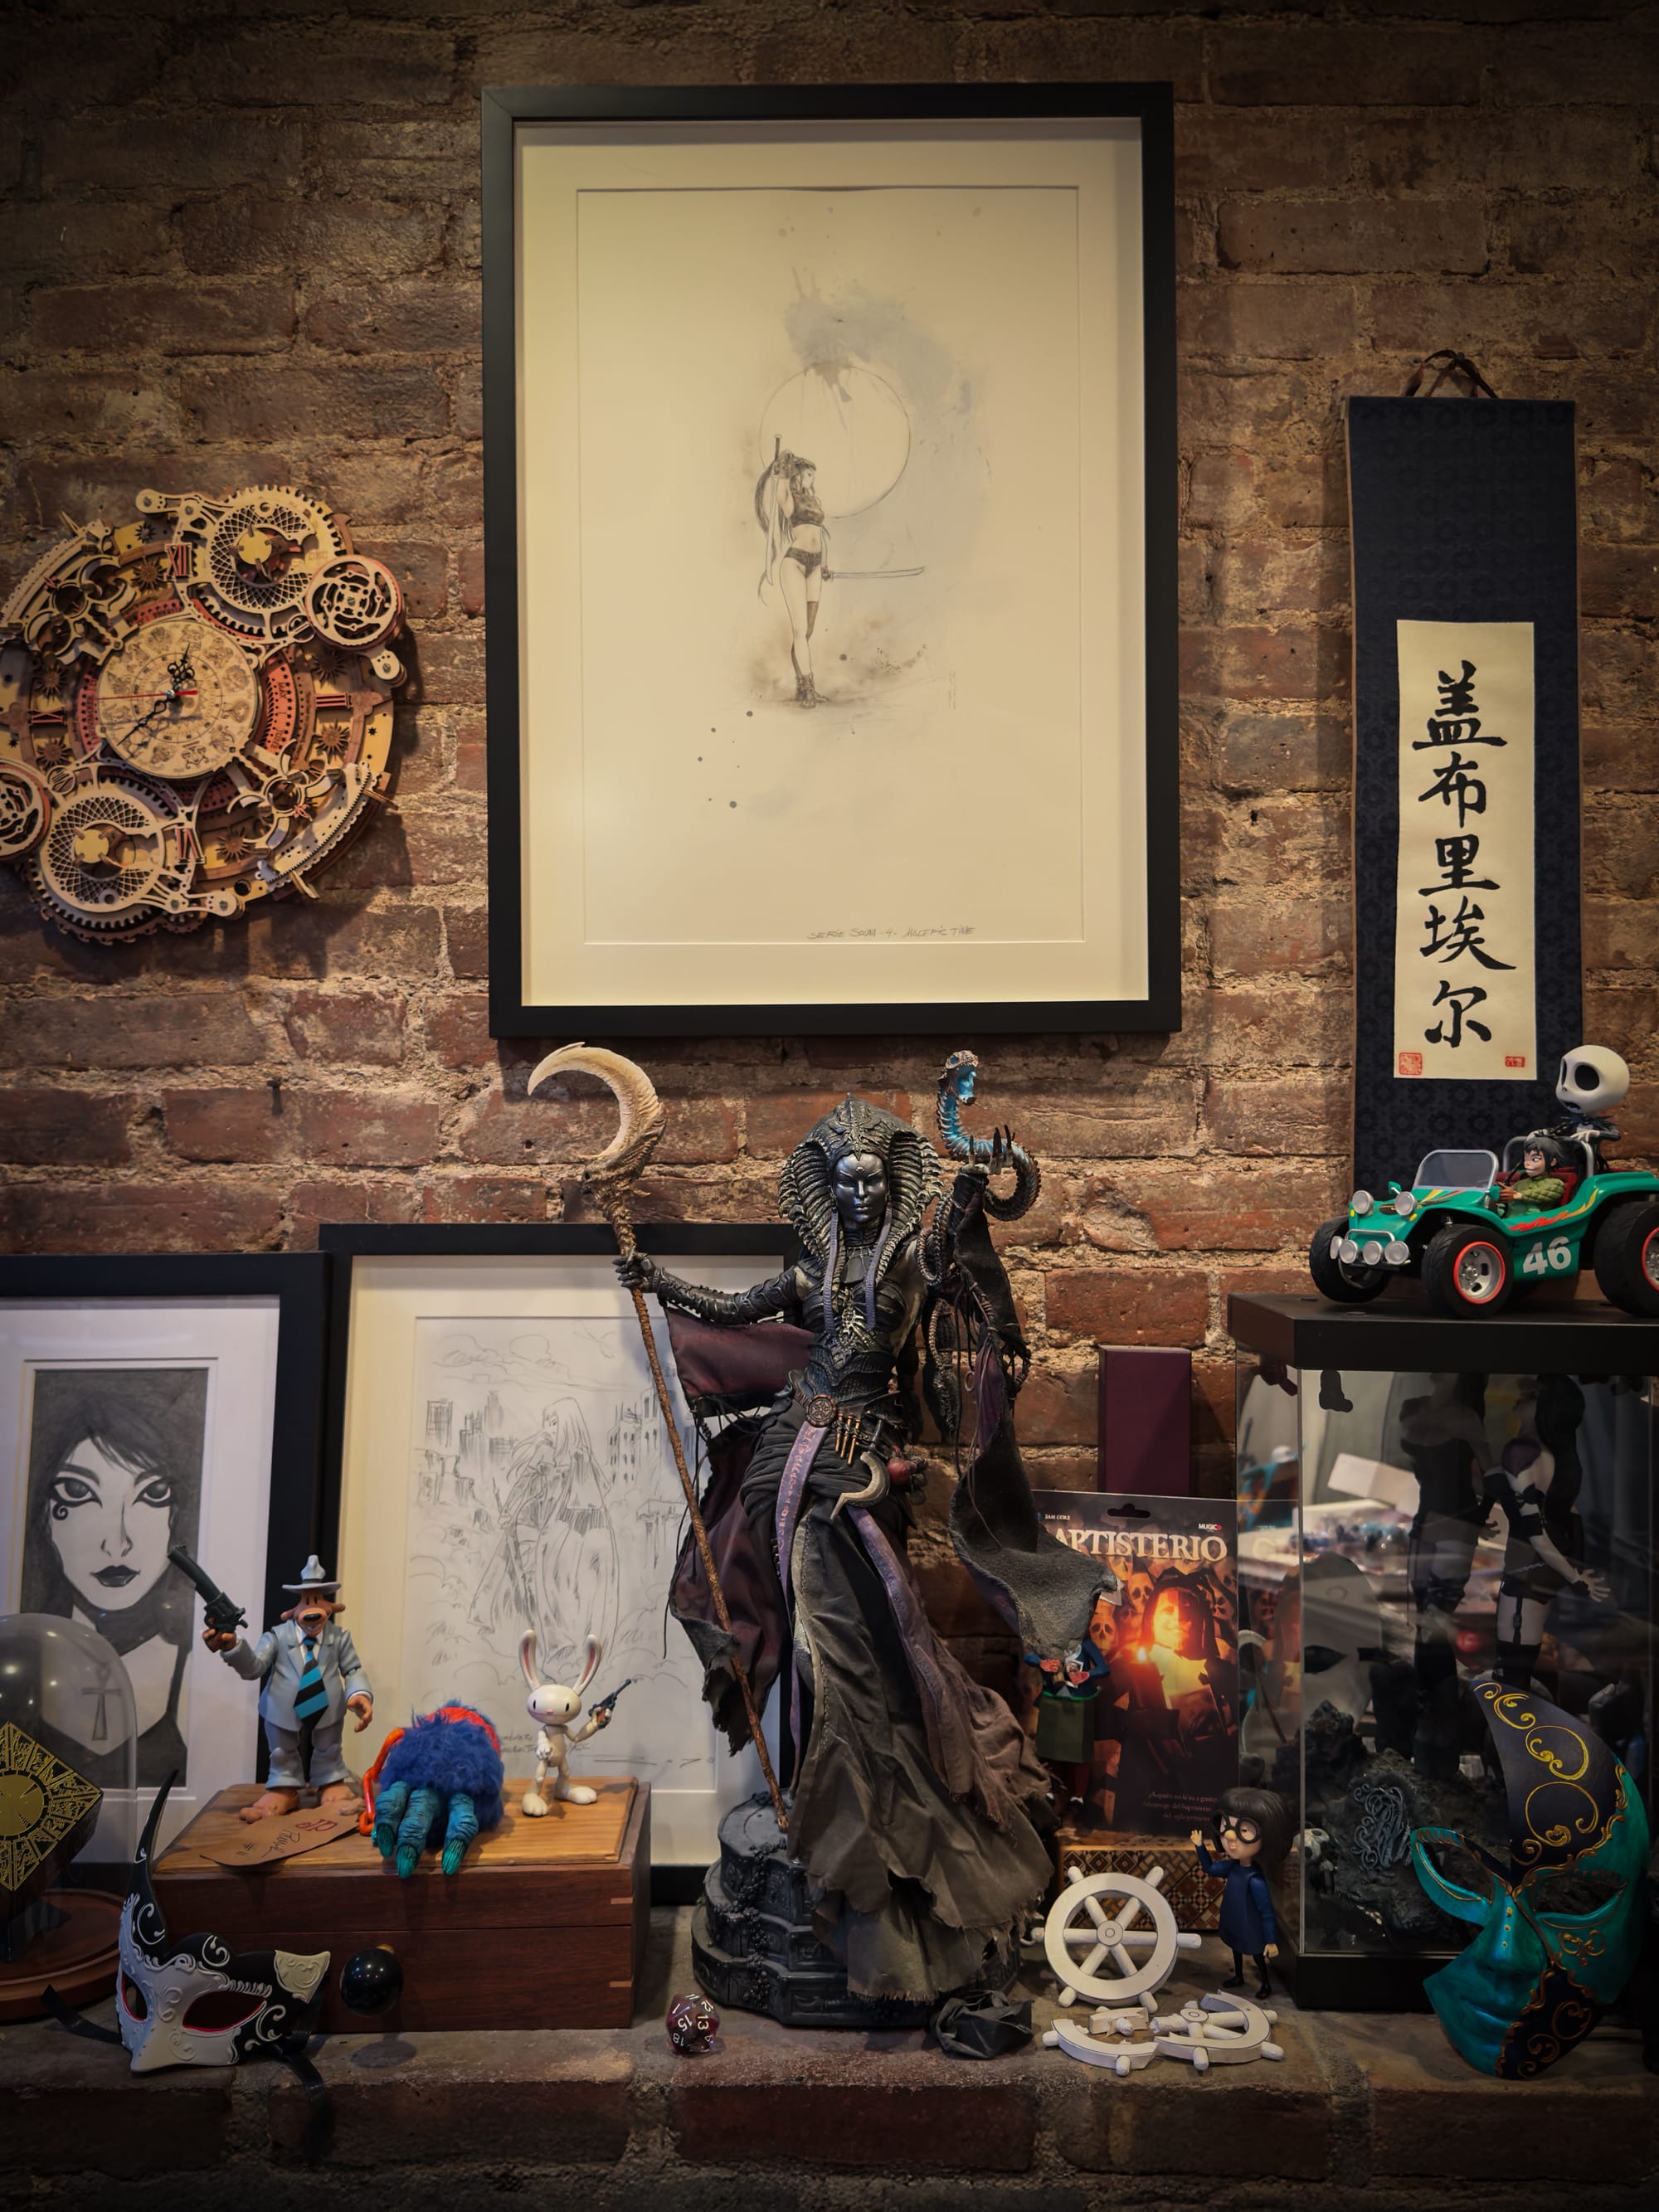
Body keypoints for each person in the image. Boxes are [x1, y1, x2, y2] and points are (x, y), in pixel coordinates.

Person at [620, 1094, 1102, 2005]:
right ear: (824, 1187)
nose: (859, 1191)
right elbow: (732, 1309)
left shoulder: (912, 1259)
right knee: (799, 1629)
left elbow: (968, 1243)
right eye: (844, 1179)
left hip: (862, 1461)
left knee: (852, 1637)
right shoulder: (812, 1267)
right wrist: (655, 1280)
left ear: (893, 1181)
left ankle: (871, 1808)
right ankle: (813, 1789)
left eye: (873, 1178)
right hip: (788, 1449)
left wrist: (989, 1179)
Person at [22, 1368, 205, 1784]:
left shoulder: (198, 1669)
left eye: (153, 1494)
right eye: (77, 1492)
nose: (117, 1544)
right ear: (42, 1515)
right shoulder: (19, 1663)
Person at [205, 1555, 373, 1822]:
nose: (312, 1610)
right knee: (282, 1750)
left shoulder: (339, 1638)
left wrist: (359, 1694)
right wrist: (233, 1647)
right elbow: (254, 1668)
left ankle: (330, 1782)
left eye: (318, 1600)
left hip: (328, 1708)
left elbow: (353, 1670)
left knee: (329, 1747)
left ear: (330, 1606)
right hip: (281, 1709)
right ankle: (284, 1789)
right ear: (294, 1608)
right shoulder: (277, 1636)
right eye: (307, 1601)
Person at [1190, 1786, 1292, 2000]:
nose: (1229, 1836)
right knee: (1235, 1948)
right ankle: (1238, 1975)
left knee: (1256, 1954)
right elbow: (1210, 1868)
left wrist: (1270, 1940)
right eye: (1225, 1826)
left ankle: (1265, 1983)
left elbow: (1266, 1913)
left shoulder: (1255, 1881)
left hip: (1251, 1926)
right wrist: (1200, 1846)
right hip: (1233, 1920)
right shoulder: (1232, 1867)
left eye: (1244, 1830)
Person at [756, 447, 830, 708]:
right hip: (795, 563)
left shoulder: (815, 501)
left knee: (807, 631)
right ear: (798, 476)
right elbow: (780, 492)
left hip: (816, 565)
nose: (812, 478)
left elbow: (819, 534)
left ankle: (801, 685)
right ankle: (808, 688)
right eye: (809, 474)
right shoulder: (789, 499)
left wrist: (825, 565)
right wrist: (784, 464)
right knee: (799, 630)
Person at [1502, 1133, 1569, 1208]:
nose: (1527, 1163)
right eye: (1526, 1159)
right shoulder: (1520, 1184)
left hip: (1537, 1215)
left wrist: (1518, 1195)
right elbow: (1506, 1198)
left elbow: (1543, 1193)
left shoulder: (1555, 1184)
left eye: (1535, 1159)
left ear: (1552, 1162)